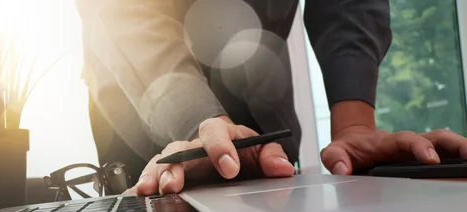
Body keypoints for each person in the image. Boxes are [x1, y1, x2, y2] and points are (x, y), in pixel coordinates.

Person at [77, 0, 467, 196]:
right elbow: (123, 11)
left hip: (263, 128)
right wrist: (198, 123)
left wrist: (355, 127)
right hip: (145, 125)